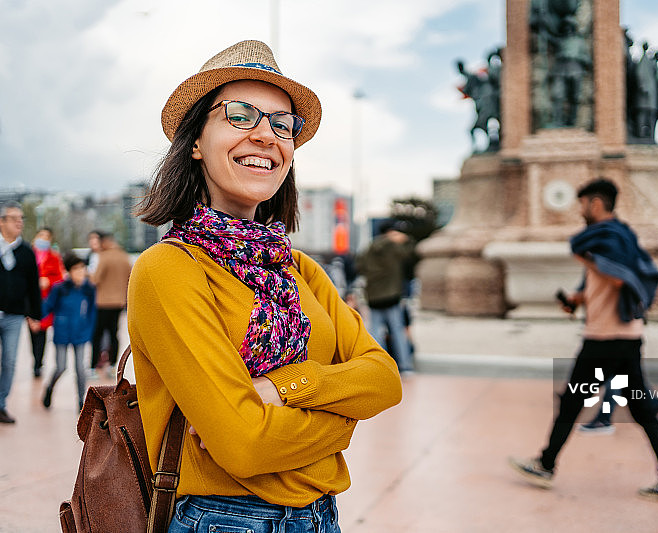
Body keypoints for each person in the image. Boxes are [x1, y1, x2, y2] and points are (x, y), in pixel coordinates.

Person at [129, 40, 402, 531]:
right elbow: (244, 444)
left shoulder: (300, 269)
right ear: (195, 140)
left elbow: (384, 379)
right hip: (222, 520)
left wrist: (282, 387)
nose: (265, 136)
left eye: (281, 124)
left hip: (322, 516)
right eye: (239, 115)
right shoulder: (168, 270)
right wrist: (346, 418)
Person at [510, 178, 658, 503]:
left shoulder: (613, 237)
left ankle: (546, 465)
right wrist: (576, 299)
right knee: (642, 410)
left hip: (605, 340)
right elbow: (602, 281)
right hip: (625, 339)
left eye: (582, 204)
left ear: (595, 203)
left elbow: (622, 278)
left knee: (571, 403)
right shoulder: (614, 239)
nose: (580, 211)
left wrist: (587, 258)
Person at [0, 202, 42, 424]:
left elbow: (33, 285)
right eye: (13, 218)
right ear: (1, 221)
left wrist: (35, 315)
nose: (19, 222)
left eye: (21, 218)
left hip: (13, 317)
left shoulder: (26, 252)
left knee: (9, 362)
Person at [356, 221, 416, 373]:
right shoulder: (394, 247)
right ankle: (405, 366)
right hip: (391, 295)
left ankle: (379, 366)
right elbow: (410, 252)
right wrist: (406, 239)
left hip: (373, 296)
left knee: (375, 333)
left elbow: (359, 266)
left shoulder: (369, 248)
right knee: (397, 331)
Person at [41, 252, 96, 411]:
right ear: (69, 272)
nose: (80, 273)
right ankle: (49, 389)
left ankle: (81, 400)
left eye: (82, 269)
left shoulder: (88, 289)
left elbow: (92, 312)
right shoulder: (60, 288)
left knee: (80, 368)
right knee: (61, 367)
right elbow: (47, 306)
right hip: (62, 333)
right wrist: (35, 317)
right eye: (76, 269)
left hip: (80, 333)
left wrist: (89, 331)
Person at [89, 231, 131, 377]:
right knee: (114, 334)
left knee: (98, 334)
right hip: (119, 302)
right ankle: (113, 366)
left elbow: (95, 279)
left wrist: (87, 274)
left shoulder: (104, 257)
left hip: (103, 302)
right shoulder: (124, 256)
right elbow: (130, 278)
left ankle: (94, 366)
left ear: (105, 242)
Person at [29, 227, 65, 378]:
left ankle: (38, 363)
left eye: (47, 237)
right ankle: (35, 360)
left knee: (41, 332)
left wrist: (48, 281)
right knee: (32, 331)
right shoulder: (29, 254)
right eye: (41, 235)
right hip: (30, 299)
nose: (43, 239)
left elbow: (60, 278)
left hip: (46, 301)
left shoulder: (54, 257)